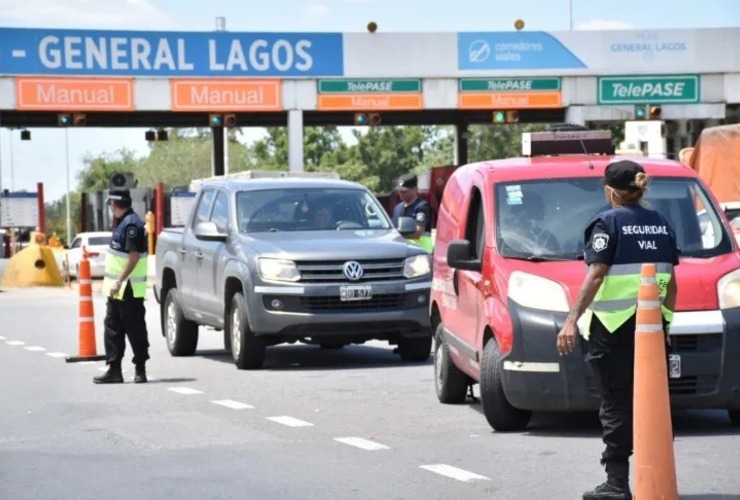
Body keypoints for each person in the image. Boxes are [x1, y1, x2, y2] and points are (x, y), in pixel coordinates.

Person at [555, 160, 679, 500]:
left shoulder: (607, 223)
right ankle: (658, 476)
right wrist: (665, 323)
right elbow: (671, 284)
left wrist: (571, 319)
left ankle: (616, 482)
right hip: (652, 329)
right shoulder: (661, 223)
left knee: (616, 404)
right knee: (654, 403)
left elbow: (595, 275)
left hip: (612, 327)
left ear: (611, 191)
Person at [94, 187, 150, 385]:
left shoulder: (132, 224)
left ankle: (140, 369)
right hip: (116, 289)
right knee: (113, 328)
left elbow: (133, 257)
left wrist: (119, 280)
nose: (110, 207)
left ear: (114, 204)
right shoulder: (120, 223)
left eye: (110, 203)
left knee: (134, 329)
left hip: (128, 288)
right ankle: (114, 369)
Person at [391, 173, 433, 253]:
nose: (400, 194)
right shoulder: (397, 208)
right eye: (399, 191)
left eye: (404, 191)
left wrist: (398, 237)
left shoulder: (422, 207)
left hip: (421, 252)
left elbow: (418, 232)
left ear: (415, 190)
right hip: (403, 252)